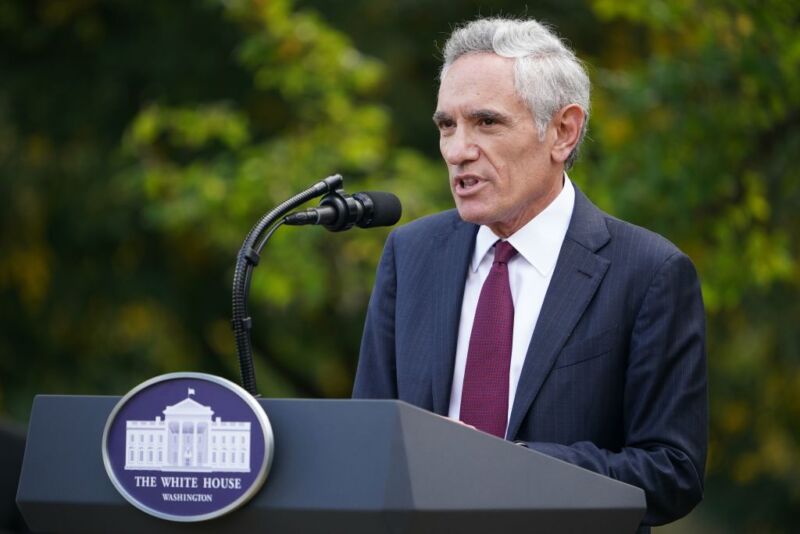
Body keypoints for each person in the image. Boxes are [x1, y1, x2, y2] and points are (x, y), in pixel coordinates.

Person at [352, 17, 707, 530]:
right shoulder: (410, 253)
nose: (457, 151)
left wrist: (509, 465)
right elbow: (369, 442)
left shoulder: (649, 273)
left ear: (563, 131)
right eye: (446, 126)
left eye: (487, 123)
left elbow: (672, 472)